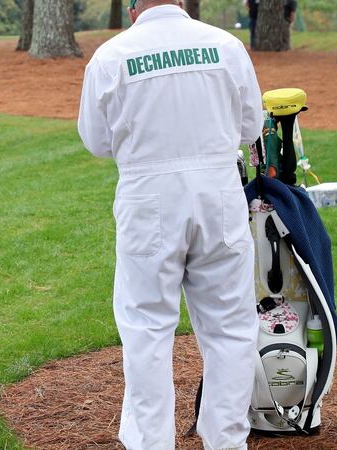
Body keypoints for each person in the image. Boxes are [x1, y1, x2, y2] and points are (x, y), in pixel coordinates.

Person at [77, 1, 263, 449]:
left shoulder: (112, 56)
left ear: (132, 4)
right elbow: (251, 124)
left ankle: (150, 441)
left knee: (146, 327)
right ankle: (226, 440)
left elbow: (96, 140)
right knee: (230, 326)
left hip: (146, 192)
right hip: (217, 191)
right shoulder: (225, 46)